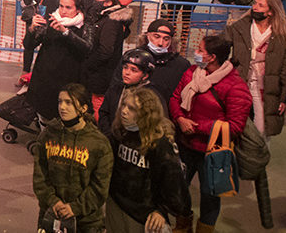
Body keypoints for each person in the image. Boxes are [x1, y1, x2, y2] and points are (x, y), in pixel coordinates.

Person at [169, 35, 251, 232]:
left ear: (212, 57)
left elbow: (235, 126)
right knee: (179, 190)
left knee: (209, 196)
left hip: (213, 152)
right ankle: (182, 225)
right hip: (185, 145)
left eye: (200, 50)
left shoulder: (235, 86)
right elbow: (175, 97)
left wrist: (196, 126)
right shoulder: (192, 72)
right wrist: (179, 118)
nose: (196, 53)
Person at [106, 87, 192, 233]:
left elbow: (173, 182)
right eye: (124, 105)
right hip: (116, 203)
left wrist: (162, 210)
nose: (124, 111)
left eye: (132, 108)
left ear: (145, 114)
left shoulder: (160, 143)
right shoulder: (120, 132)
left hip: (144, 213)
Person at [32, 83, 113, 233]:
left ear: (83, 108)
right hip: (51, 214)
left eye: (69, 102)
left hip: (87, 222)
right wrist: (53, 201)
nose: (62, 107)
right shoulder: (48, 135)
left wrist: (74, 208)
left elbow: (100, 187)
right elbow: (40, 175)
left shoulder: (99, 143)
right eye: (60, 101)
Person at [224, 0, 286, 137]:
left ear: (271, 11)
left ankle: (260, 150)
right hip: (241, 82)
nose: (255, 7)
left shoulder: (283, 36)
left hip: (266, 88)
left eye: (261, 5)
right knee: (235, 125)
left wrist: (284, 98)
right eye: (255, 3)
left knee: (262, 129)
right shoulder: (240, 27)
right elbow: (222, 45)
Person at [25, 0, 91, 121]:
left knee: (65, 115)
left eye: (68, 7)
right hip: (44, 78)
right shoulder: (51, 21)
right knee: (43, 114)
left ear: (78, 9)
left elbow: (86, 48)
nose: (63, 11)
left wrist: (65, 32)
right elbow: (29, 45)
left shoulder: (84, 26)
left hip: (68, 79)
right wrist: (32, 29)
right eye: (61, 6)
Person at [81, 0, 133, 115]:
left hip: (102, 73)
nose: (94, 1)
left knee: (98, 105)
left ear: (108, 2)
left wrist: (88, 64)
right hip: (100, 72)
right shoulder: (104, 18)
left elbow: (106, 51)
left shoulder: (110, 22)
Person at [97, 48, 158, 135]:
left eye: (134, 70)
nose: (127, 73)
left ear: (145, 76)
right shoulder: (115, 89)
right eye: (125, 68)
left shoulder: (151, 95)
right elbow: (104, 113)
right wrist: (109, 134)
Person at [139, 19, 192, 105]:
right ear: (147, 36)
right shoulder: (134, 58)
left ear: (171, 41)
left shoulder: (181, 65)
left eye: (166, 39)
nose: (160, 43)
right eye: (156, 37)